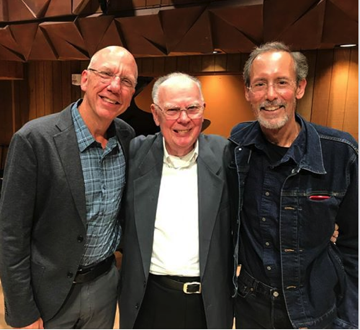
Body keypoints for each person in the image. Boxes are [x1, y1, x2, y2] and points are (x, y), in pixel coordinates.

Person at [0, 46, 138, 328]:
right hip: (48, 294)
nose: (115, 86)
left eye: (126, 81)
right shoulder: (34, 139)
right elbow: (11, 233)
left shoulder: (126, 136)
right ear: (85, 80)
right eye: (107, 74)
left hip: (104, 286)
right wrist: (22, 311)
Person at [229, 41, 358, 329]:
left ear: (299, 88)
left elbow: (355, 246)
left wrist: (352, 319)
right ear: (248, 92)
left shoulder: (340, 152)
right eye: (260, 84)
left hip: (316, 310)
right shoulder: (237, 147)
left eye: (281, 83)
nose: (271, 95)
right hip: (252, 312)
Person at [119, 72, 234, 329]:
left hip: (207, 304)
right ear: (156, 114)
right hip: (148, 300)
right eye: (172, 109)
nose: (184, 119)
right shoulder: (135, 154)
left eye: (192, 108)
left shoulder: (226, 155)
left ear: (203, 110)